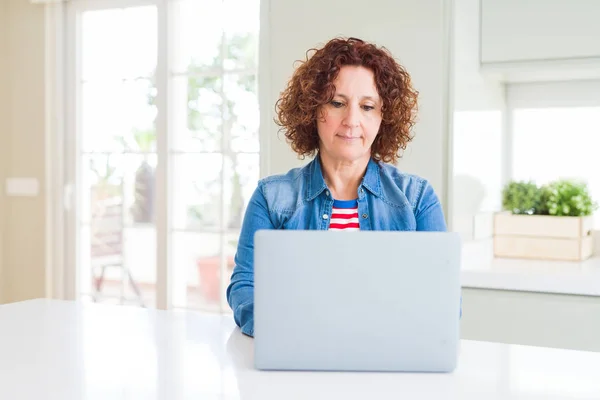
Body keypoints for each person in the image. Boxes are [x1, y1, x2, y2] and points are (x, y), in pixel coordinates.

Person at [226, 37, 447, 337]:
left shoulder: (418, 199)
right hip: (298, 363)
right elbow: (244, 287)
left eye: (367, 106)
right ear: (313, 109)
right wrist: (286, 330)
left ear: (384, 117)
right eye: (337, 103)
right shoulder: (271, 198)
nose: (352, 120)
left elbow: (442, 302)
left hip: (387, 367)